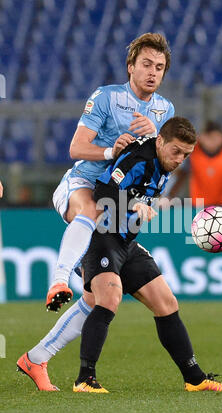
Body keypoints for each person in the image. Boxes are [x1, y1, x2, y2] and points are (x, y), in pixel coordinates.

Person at [17, 118, 222, 393]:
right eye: (177, 151)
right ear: (160, 142)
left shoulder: (163, 163)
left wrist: (152, 204)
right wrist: (136, 206)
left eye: (186, 154)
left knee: (166, 302)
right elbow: (103, 191)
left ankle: (195, 379)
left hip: (124, 241)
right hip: (100, 236)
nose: (181, 159)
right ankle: (85, 379)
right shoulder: (138, 158)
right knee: (108, 297)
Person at [46, 32, 174, 312]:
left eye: (159, 67)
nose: (152, 72)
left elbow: (164, 161)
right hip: (84, 183)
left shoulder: (165, 110)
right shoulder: (106, 97)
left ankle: (36, 356)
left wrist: (156, 138)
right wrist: (110, 152)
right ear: (131, 66)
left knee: (97, 301)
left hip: (119, 199)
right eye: (146, 64)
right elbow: (76, 148)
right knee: (90, 210)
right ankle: (58, 280)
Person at [161, 120, 222, 209]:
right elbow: (181, 174)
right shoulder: (193, 149)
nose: (213, 142)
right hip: (200, 205)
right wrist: (167, 197)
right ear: (203, 137)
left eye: (217, 138)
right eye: (210, 138)